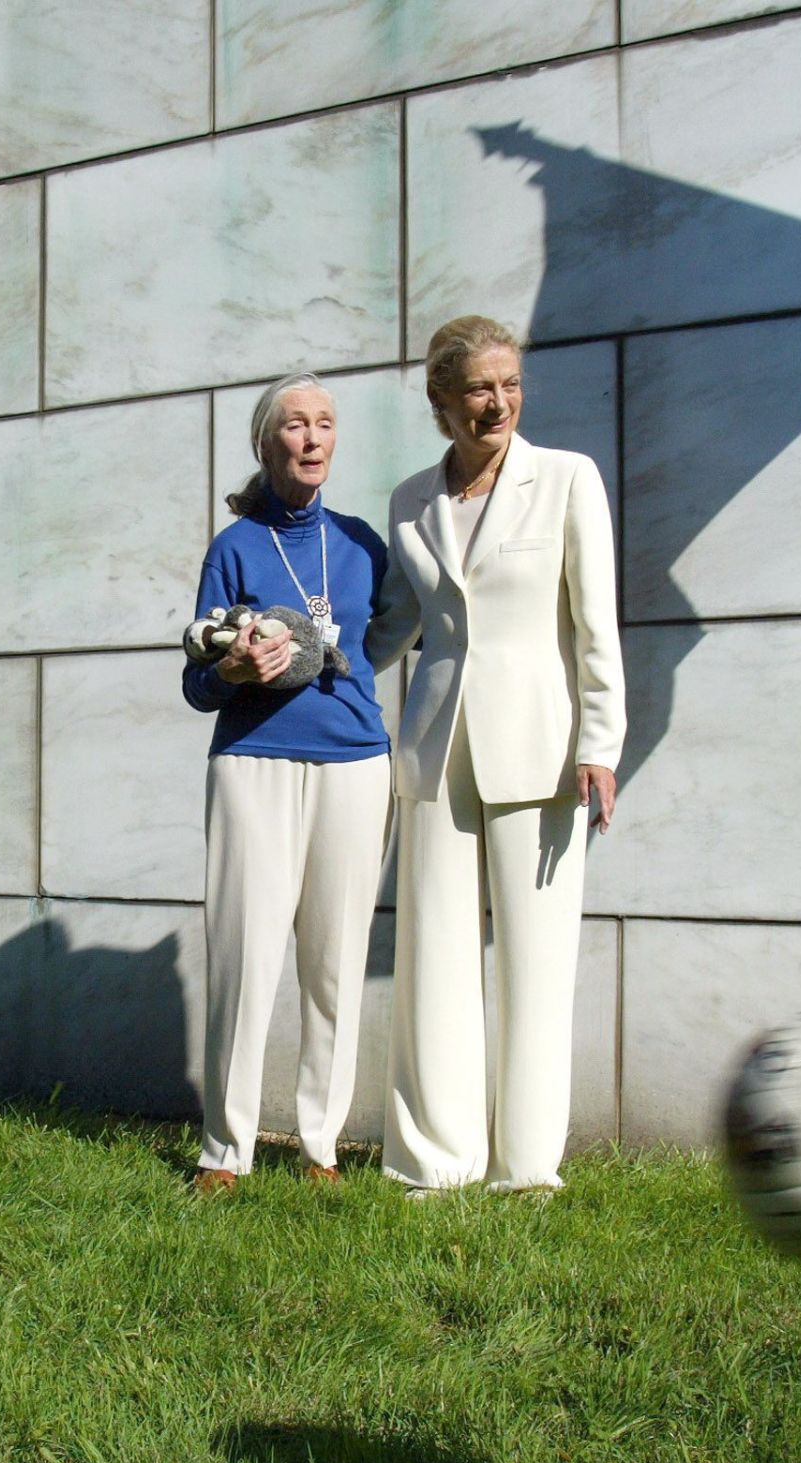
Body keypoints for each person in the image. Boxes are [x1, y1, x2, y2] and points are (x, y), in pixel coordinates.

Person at [365, 315, 625, 1196]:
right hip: (433, 752)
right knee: (432, 955)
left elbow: (597, 624)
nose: (499, 402)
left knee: (536, 960)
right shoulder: (409, 501)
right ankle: (437, 1160)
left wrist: (601, 743)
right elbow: (395, 625)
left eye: (510, 383)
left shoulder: (567, 479)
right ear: (442, 401)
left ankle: (525, 1167)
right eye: (479, 387)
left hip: (542, 749)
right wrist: (308, 660)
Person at [183, 372, 391, 1195]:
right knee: (244, 952)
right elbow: (197, 686)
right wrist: (234, 664)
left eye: (326, 424)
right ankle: (223, 1151)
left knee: (334, 960)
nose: (312, 438)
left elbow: (388, 640)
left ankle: (320, 1147)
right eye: (296, 425)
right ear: (266, 443)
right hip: (253, 766)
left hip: (355, 763)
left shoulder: (364, 545)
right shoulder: (233, 547)